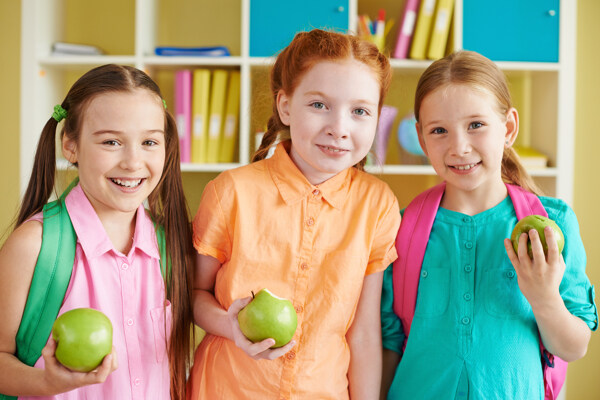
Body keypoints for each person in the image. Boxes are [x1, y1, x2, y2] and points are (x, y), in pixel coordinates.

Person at [187, 29, 400, 399]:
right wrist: (229, 325)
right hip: (227, 388)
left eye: (360, 111)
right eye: (319, 105)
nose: (339, 128)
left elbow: (363, 332)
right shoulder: (231, 191)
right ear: (285, 106)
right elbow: (194, 294)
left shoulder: (377, 203)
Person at [380, 51, 598, 399]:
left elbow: (574, 347)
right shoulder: (399, 227)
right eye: (439, 131)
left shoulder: (554, 223)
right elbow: (388, 343)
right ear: (421, 140)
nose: (459, 147)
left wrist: (544, 299)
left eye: (476, 125)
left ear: (508, 128)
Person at [0, 64, 194, 399]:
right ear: (70, 146)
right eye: (111, 142)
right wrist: (48, 384)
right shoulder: (35, 245)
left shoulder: (171, 245)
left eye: (149, 141)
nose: (133, 162)